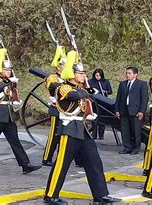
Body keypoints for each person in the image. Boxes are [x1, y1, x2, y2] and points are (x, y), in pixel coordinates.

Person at [43, 50, 121, 205]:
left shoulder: (81, 87)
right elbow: (73, 96)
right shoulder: (63, 87)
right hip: (69, 128)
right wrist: (87, 90)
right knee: (62, 163)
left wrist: (85, 89)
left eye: (84, 73)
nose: (83, 76)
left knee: (94, 161)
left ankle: (100, 195)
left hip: (81, 128)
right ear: (71, 74)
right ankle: (51, 195)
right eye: (80, 73)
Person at [0, 48, 41, 175]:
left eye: (9, 70)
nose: (8, 72)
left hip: (8, 115)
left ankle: (25, 164)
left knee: (15, 141)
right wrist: (8, 81)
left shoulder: (9, 81)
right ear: (0, 70)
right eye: (6, 70)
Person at [114, 67, 149, 154]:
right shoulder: (122, 84)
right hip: (124, 110)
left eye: (129, 73)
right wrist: (117, 110)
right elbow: (118, 98)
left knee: (135, 131)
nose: (127, 75)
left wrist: (142, 111)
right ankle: (127, 147)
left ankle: (136, 148)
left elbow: (144, 99)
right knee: (125, 130)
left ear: (135, 74)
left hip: (135, 111)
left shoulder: (141, 84)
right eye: (126, 73)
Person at [42, 45, 67, 166]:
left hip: (66, 110)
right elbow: (52, 86)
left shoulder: (68, 78)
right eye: (64, 65)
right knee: (54, 135)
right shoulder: (52, 77)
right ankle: (47, 158)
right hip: (56, 108)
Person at [88, 68, 113, 140]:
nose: (98, 77)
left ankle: (101, 135)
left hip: (103, 101)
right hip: (94, 102)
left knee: (102, 118)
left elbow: (110, 91)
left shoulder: (105, 82)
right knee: (95, 118)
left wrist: (105, 91)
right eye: (96, 75)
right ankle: (94, 134)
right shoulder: (91, 82)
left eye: (99, 75)